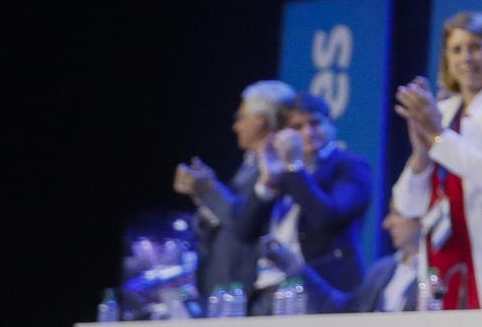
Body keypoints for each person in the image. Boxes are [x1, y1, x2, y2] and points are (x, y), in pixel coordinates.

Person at [388, 10, 482, 310]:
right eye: (457, 50)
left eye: (476, 47)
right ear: (447, 60)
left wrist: (439, 136)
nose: (466, 58)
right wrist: (421, 154)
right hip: (441, 253)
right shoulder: (443, 109)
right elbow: (409, 206)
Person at [231, 91, 372, 311]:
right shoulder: (282, 171)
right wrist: (268, 181)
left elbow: (327, 217)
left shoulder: (350, 166)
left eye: (315, 123)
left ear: (331, 125)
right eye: (297, 127)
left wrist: (295, 168)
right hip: (266, 290)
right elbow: (244, 231)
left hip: (321, 290)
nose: (308, 133)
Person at [173, 79, 295, 300]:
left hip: (247, 288)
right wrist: (201, 195)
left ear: (260, 120)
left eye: (240, 118)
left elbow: (245, 222)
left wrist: (209, 189)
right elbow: (225, 219)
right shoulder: (248, 165)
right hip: (221, 284)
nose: (235, 126)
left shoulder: (277, 164)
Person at [278, 211, 425, 314]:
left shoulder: (436, 273)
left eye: (397, 214)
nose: (386, 224)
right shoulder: (382, 270)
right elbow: (344, 311)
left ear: (421, 218)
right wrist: (299, 271)